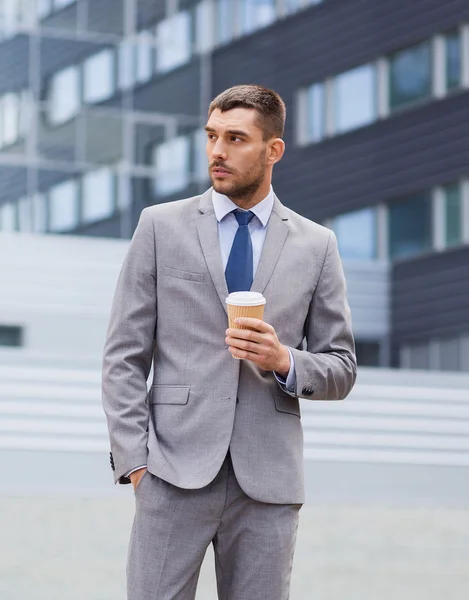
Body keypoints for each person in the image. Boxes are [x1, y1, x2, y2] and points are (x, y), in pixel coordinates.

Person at [102, 84, 357, 600]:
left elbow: (342, 366)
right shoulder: (160, 227)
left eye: (236, 138)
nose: (217, 151)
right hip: (171, 473)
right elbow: (124, 356)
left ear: (273, 150)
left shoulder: (316, 245)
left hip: (267, 481)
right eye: (212, 136)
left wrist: (284, 359)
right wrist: (135, 462)